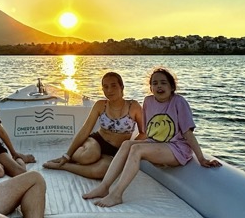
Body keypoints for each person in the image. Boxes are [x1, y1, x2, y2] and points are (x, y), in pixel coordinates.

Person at [83, 68, 221, 207]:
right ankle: (104, 187)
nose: (159, 86)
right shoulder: (148, 101)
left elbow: (188, 133)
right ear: (150, 88)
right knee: (127, 144)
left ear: (172, 87)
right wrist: (147, 153)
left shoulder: (179, 102)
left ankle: (116, 195)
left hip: (176, 148)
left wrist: (201, 158)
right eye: (155, 83)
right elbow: (149, 132)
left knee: (137, 149)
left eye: (163, 83)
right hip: (156, 143)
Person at [43, 72, 144, 179]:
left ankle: (65, 166)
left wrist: (129, 148)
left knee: (102, 171)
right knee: (89, 156)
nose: (109, 90)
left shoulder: (134, 106)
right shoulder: (100, 105)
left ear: (122, 87)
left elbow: (144, 132)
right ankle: (70, 158)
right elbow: (85, 130)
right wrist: (67, 154)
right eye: (105, 87)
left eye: (113, 85)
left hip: (118, 150)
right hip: (97, 141)